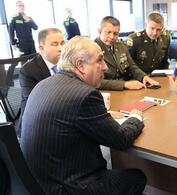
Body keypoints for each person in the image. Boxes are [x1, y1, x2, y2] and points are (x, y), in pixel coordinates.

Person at [20, 36, 147, 195]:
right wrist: (135, 118)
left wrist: (104, 115)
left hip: (41, 182)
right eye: (100, 61)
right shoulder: (85, 95)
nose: (105, 67)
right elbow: (121, 139)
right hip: (69, 187)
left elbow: (67, 116)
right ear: (80, 65)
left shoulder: (44, 84)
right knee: (137, 177)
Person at [18, 28, 65, 137]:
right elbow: (36, 105)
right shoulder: (28, 71)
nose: (61, 48)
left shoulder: (66, 64)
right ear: (41, 48)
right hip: (36, 126)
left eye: (62, 43)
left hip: (61, 117)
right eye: (55, 44)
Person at [95, 16, 159, 90]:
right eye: (108, 32)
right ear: (100, 31)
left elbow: (132, 67)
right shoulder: (92, 49)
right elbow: (94, 81)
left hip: (123, 91)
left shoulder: (121, 46)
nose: (112, 37)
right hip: (105, 92)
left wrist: (144, 77)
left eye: (115, 33)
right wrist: (124, 84)